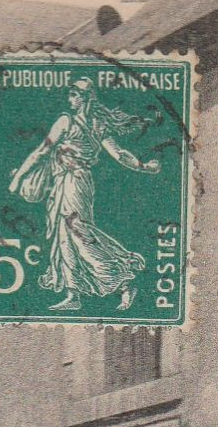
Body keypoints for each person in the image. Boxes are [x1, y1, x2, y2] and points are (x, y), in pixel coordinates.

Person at [9, 77, 160, 312]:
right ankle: (73, 293)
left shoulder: (67, 121)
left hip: (74, 183)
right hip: (69, 183)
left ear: (84, 98)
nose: (70, 98)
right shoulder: (95, 124)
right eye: (70, 94)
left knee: (76, 232)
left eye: (74, 94)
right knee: (64, 236)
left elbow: (42, 151)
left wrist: (18, 177)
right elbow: (120, 154)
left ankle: (122, 280)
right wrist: (143, 166)